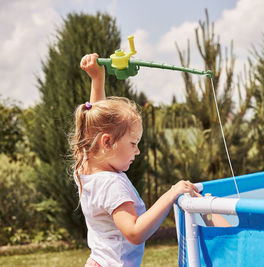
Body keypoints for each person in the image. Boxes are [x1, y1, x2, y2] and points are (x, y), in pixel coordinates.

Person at [71, 53, 201, 267]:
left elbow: (95, 123)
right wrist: (171, 194)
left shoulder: (85, 167)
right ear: (106, 142)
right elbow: (134, 231)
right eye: (133, 143)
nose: (137, 151)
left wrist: (97, 79)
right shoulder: (111, 184)